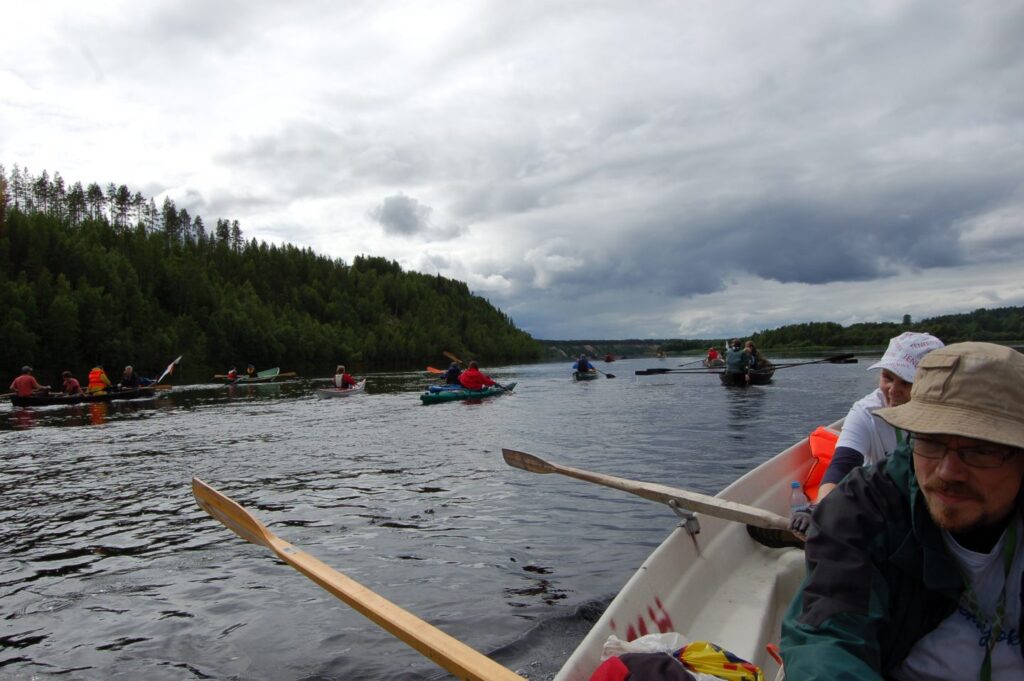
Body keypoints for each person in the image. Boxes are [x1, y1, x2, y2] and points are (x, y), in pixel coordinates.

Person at [781, 342, 1024, 680]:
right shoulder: (862, 509)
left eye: (981, 449)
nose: (948, 472)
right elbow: (828, 636)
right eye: (931, 441)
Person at [791, 331, 944, 534]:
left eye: (907, 383)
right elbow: (843, 464)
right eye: (887, 377)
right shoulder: (866, 411)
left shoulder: (947, 416)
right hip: (883, 503)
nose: (892, 391)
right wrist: (819, 510)